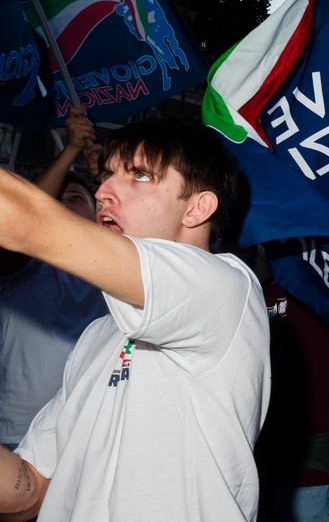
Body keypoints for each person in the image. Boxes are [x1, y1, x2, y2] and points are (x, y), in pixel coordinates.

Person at [0, 117, 270, 521]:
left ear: (198, 207)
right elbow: (30, 491)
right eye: (107, 176)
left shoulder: (226, 288)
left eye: (140, 176)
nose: (104, 191)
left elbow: (29, 223)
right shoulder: (98, 333)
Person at [0, 108, 107, 451]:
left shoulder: (116, 272)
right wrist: (71, 150)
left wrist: (107, 180)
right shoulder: (23, 267)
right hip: (16, 438)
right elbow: (26, 219)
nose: (61, 205)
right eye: (56, 199)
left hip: (84, 442)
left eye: (75, 199)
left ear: (97, 216)